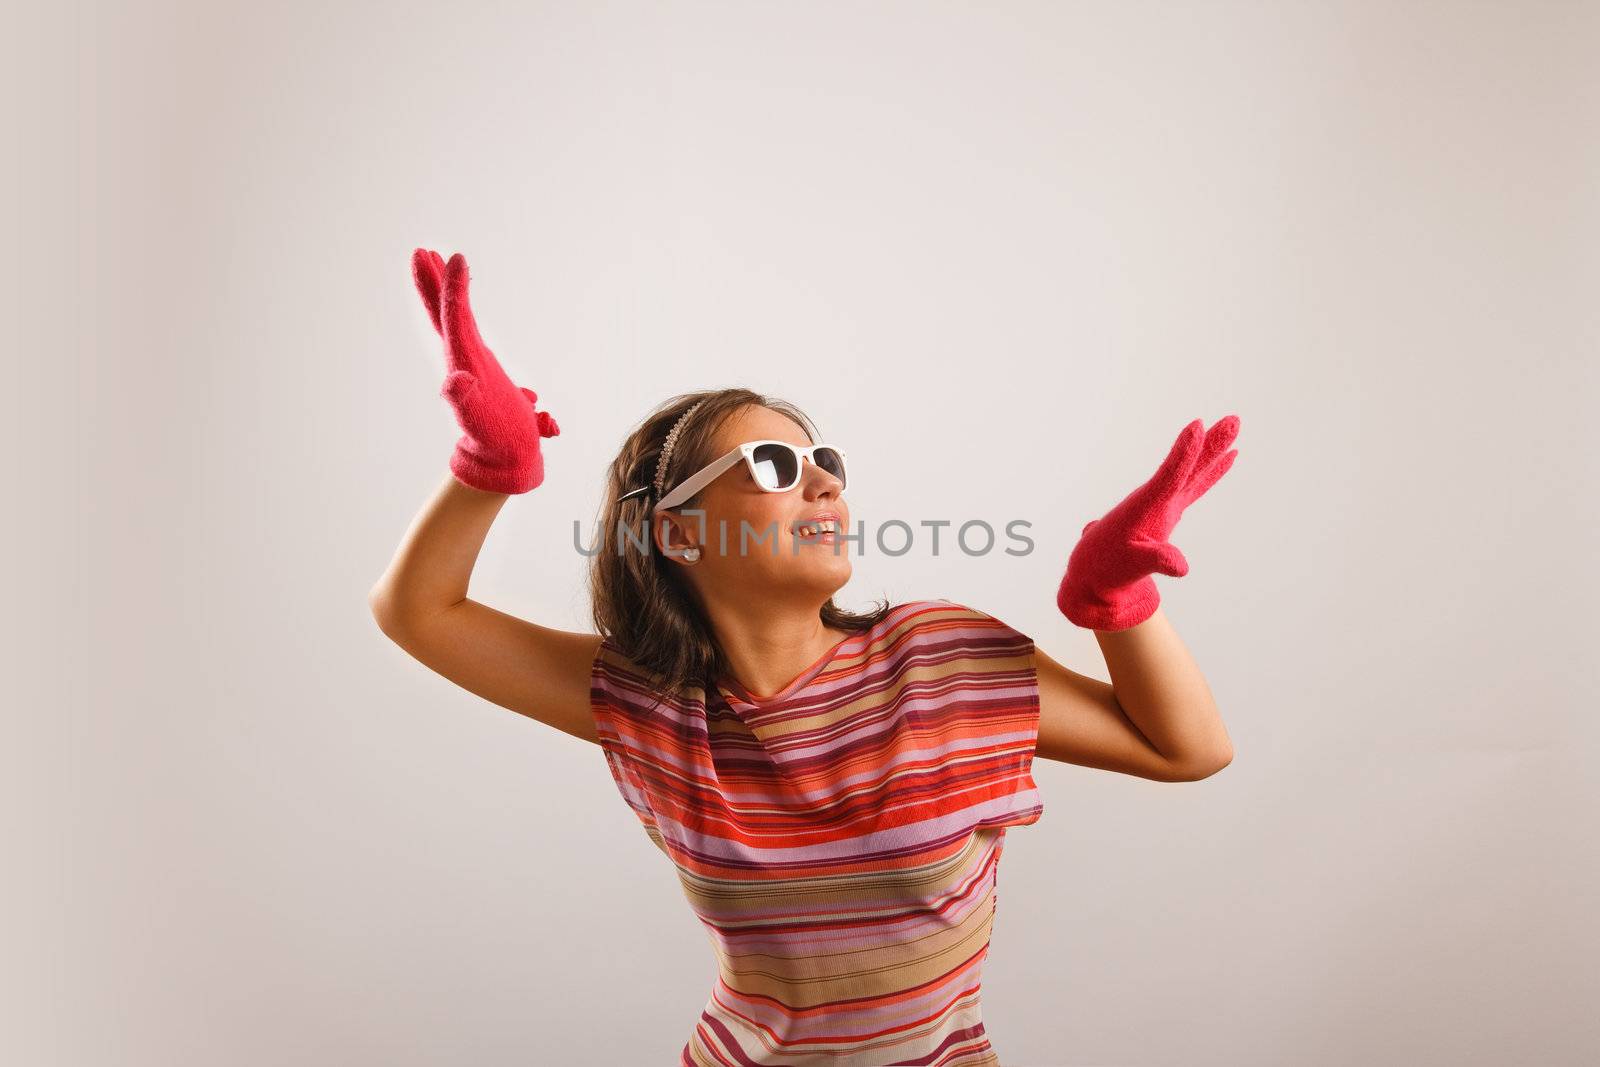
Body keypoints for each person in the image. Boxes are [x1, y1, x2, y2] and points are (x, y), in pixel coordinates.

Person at [371, 249, 1240, 1066]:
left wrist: (1116, 605)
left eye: (825, 460)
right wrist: (491, 467)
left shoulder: (942, 661)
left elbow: (1188, 750)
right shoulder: (648, 705)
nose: (825, 482)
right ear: (678, 531)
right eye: (775, 464)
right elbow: (420, 611)